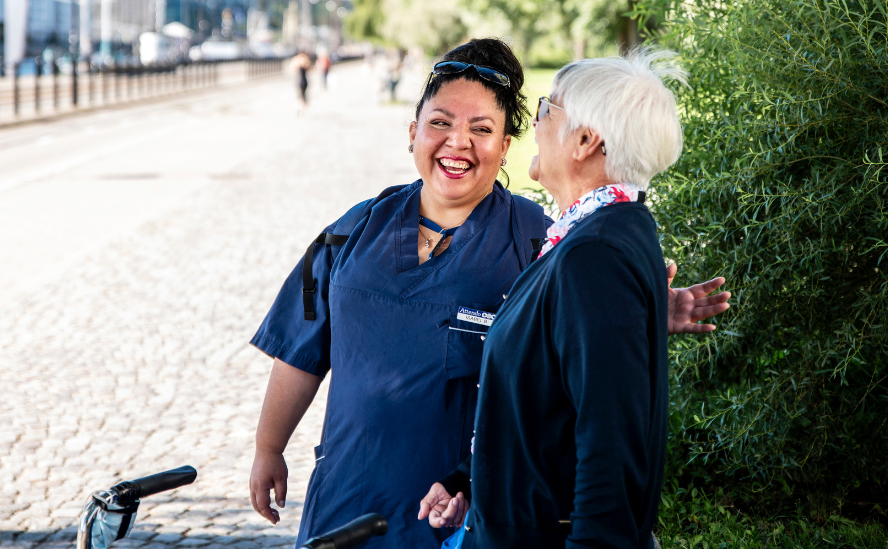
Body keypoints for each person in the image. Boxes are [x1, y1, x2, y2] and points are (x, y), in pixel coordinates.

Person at [249, 39, 729, 549]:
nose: (458, 143)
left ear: (505, 148)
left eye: (482, 129)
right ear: (412, 132)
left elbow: (597, 418)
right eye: (440, 123)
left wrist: (637, 310)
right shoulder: (352, 231)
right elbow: (302, 346)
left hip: (460, 520)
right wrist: (268, 446)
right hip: (351, 501)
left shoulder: (546, 241)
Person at [418, 48, 705, 548]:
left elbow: (610, 440)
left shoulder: (595, 254)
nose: (533, 121)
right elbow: (548, 401)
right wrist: (470, 480)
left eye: (547, 109)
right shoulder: (604, 234)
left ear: (586, 141)